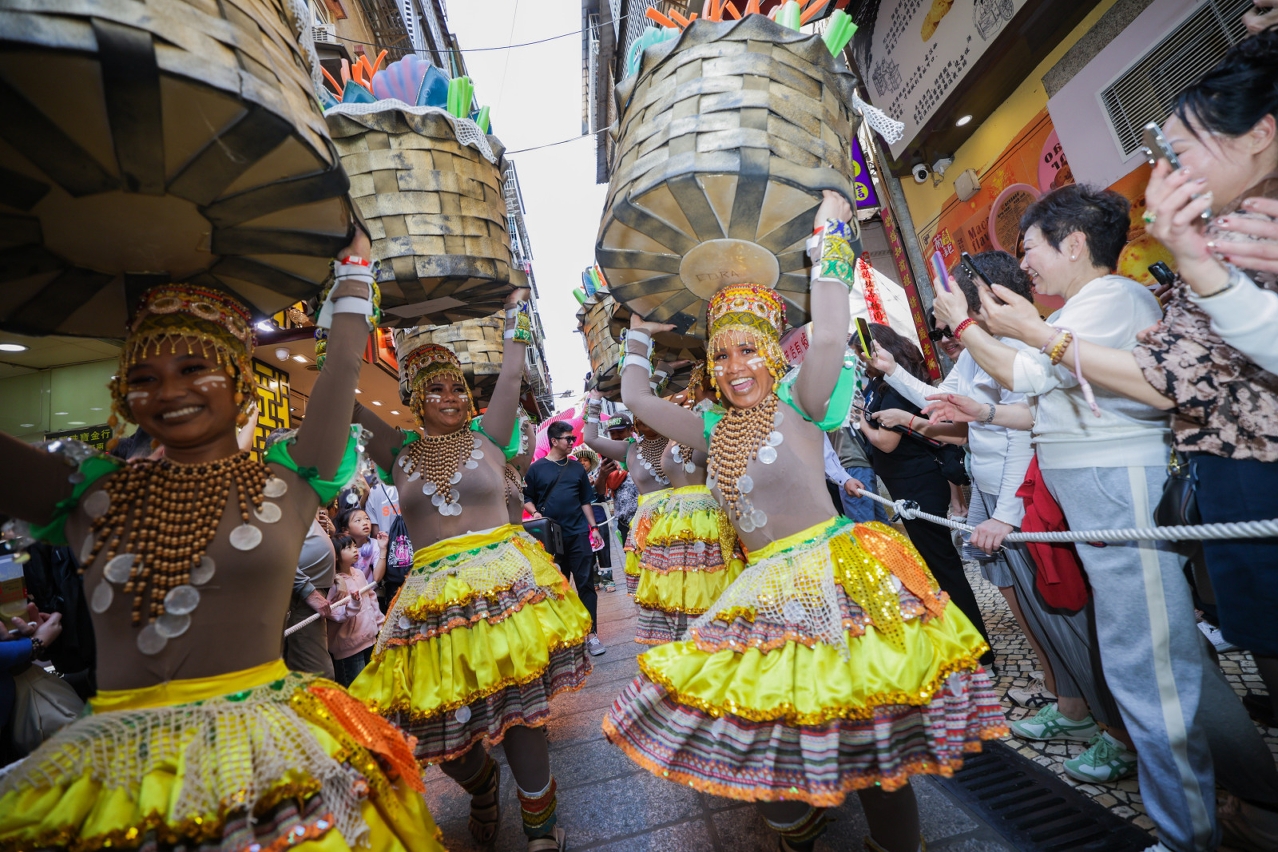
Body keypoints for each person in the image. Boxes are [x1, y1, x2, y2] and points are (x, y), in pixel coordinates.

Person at [0, 236, 444, 850]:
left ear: (238, 381)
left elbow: (342, 369)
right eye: (145, 377)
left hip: (268, 752)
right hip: (126, 776)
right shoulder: (87, 496)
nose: (168, 391)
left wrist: (352, 273)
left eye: (192, 370)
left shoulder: (287, 485)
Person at [604, 193, 1004, 852]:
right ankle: (803, 824)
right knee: (774, 729)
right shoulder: (711, 428)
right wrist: (640, 329)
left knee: (873, 739)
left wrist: (830, 237)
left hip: (838, 581)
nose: (735, 368)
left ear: (771, 352)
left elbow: (829, 333)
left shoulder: (801, 401)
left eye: (748, 350)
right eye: (722, 356)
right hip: (759, 591)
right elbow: (637, 397)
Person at [924, 180, 1273, 852]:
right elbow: (1046, 404)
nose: (1024, 263)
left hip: (1118, 494)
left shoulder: (1111, 297)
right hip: (1101, 498)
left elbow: (1031, 374)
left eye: (1029, 248)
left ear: (1074, 244)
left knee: (1146, 669)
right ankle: (1256, 801)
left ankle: (1188, 835)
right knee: (1169, 660)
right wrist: (985, 410)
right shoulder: (1085, 308)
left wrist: (966, 326)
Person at [872, 251, 1130, 781]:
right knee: (1038, 616)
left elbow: (1021, 437)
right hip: (994, 497)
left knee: (1064, 613)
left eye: (948, 299)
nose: (939, 311)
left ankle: (1118, 734)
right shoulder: (977, 351)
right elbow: (950, 402)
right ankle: (1073, 708)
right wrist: (894, 373)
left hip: (1022, 500)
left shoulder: (1018, 345)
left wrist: (1007, 515)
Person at [350, 295, 592, 852]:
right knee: (440, 727)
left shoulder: (489, 437)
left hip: (503, 592)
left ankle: (539, 827)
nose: (451, 398)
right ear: (415, 399)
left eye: (457, 388)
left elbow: (510, 373)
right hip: (432, 606)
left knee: (520, 712)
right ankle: (482, 786)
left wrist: (516, 312)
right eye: (435, 389)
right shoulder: (398, 451)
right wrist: (342, 321)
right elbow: (343, 400)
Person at [859, 323, 994, 670]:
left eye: (861, 351)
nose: (859, 360)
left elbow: (887, 442)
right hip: (904, 483)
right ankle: (962, 640)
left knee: (944, 566)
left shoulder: (894, 387)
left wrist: (860, 422)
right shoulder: (879, 384)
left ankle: (980, 653)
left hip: (919, 483)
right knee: (937, 567)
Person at [587, 367, 746, 646]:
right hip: (656, 526)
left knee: (705, 582)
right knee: (664, 586)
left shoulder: (686, 432)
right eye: (638, 418)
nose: (643, 420)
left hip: (698, 520)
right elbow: (591, 438)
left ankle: (715, 637)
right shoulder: (632, 449)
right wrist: (595, 399)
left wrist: (659, 373)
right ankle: (681, 640)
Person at [523, 420, 605, 659]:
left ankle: (591, 634)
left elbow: (585, 501)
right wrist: (535, 513)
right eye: (568, 439)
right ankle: (568, 634)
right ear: (554, 441)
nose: (572, 442)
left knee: (586, 584)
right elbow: (526, 498)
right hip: (550, 538)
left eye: (573, 438)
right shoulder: (536, 469)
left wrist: (594, 528)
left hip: (578, 533)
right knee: (558, 587)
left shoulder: (577, 468)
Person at [582, 408, 676, 598]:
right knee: (645, 569)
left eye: (620, 432)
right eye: (612, 433)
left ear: (631, 429)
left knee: (671, 566)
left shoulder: (664, 443)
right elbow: (599, 492)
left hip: (668, 517)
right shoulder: (616, 454)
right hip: (632, 522)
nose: (616, 436)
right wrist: (603, 474)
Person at [283, 506, 336, 679]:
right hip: (300, 597)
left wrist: (336, 578)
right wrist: (308, 592)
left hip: (308, 593)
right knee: (318, 673)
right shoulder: (282, 504)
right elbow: (278, 554)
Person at [325, 534, 382, 687]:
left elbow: (371, 599)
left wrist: (380, 624)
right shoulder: (335, 584)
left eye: (355, 546)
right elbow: (334, 613)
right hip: (349, 648)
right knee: (356, 688)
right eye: (348, 548)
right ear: (336, 556)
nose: (355, 550)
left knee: (371, 686)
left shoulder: (359, 574)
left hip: (369, 639)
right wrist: (354, 604)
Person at [822, 422, 888, 523]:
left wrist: (843, 478)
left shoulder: (832, 414)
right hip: (863, 466)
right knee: (880, 523)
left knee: (863, 525)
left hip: (850, 467)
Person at [335, 506, 386, 587]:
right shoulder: (340, 547)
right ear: (345, 530)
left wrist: (383, 549)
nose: (365, 523)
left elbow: (377, 578)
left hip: (368, 590)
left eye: (367, 518)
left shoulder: (375, 544)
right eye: (358, 520)